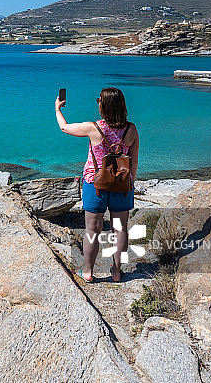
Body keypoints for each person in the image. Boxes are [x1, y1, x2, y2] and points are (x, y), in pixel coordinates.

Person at [54, 87, 139, 283]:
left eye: (99, 100)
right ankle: (117, 272)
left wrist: (58, 109)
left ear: (103, 106)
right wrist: (130, 182)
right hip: (122, 184)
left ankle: (88, 271)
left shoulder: (94, 128)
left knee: (92, 230)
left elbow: (64, 128)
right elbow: (134, 160)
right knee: (120, 230)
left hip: (95, 183)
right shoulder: (131, 129)